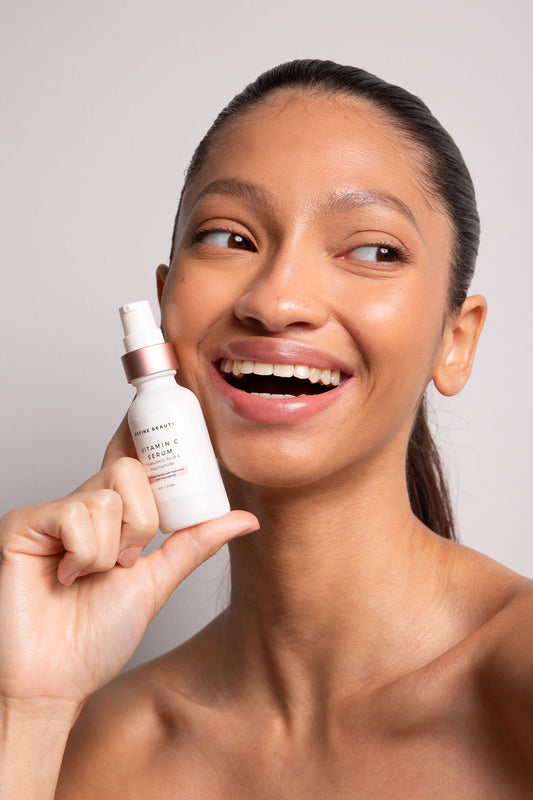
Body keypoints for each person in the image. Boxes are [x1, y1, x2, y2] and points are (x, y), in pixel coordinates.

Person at [1, 59, 532, 798]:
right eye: (229, 238)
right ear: (164, 312)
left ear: (456, 340)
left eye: (372, 250)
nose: (277, 300)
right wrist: (27, 710)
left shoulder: (515, 678)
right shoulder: (98, 748)